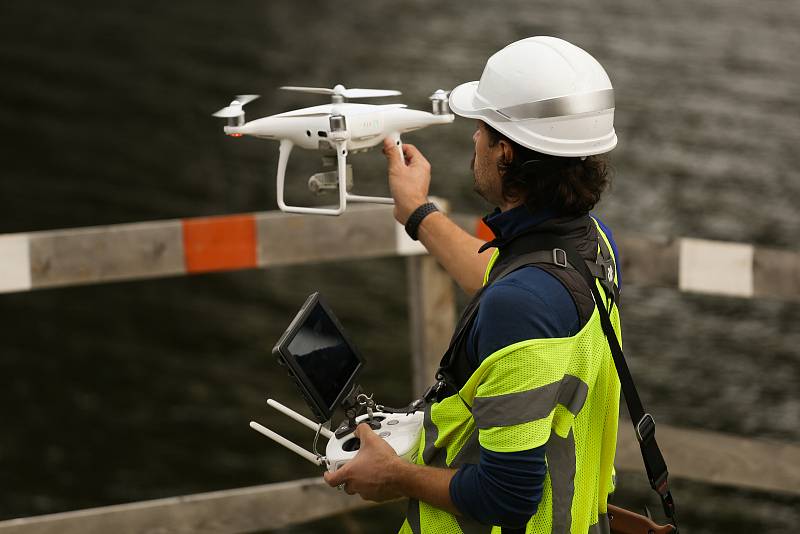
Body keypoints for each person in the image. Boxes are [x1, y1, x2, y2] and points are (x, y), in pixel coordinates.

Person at [324, 36, 622, 534]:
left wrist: (393, 475)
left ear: (504, 152)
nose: (474, 140)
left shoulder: (523, 305)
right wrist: (417, 213)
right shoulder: (591, 246)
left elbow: (506, 496)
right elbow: (500, 281)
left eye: (481, 130)